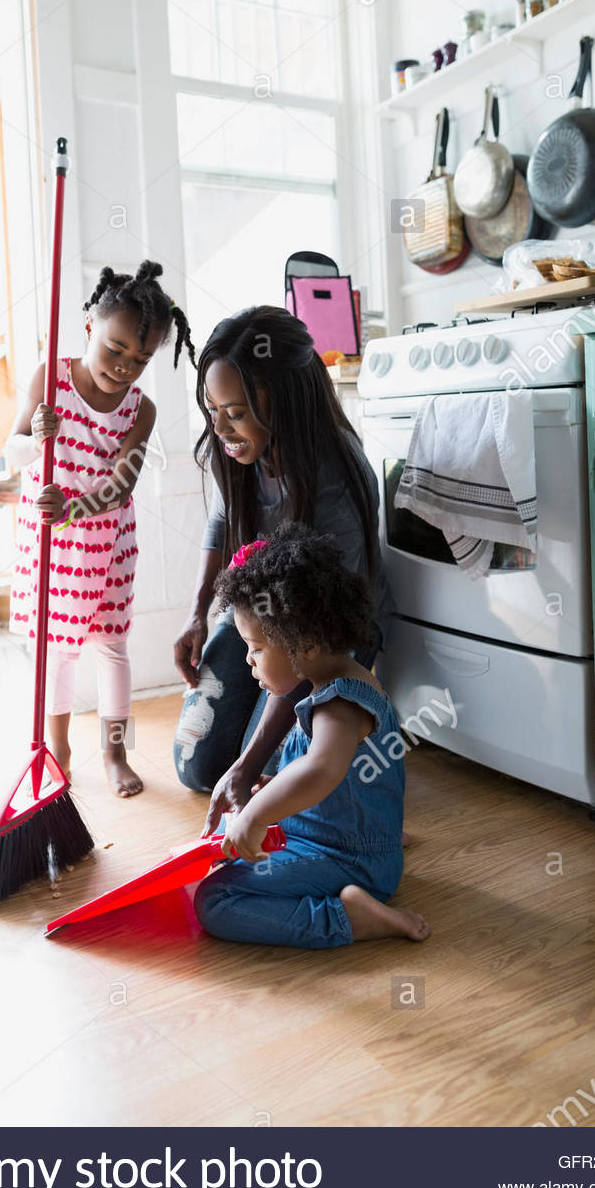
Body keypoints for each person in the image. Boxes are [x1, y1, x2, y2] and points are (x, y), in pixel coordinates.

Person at [172, 306, 393, 818]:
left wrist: (248, 768)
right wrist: (197, 614)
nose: (220, 427)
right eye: (212, 409)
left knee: (266, 777)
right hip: (257, 618)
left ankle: (352, 734)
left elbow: (312, 635)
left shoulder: (334, 479)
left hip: (326, 637)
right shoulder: (239, 455)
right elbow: (221, 524)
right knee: (197, 767)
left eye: (236, 411)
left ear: (286, 404)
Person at [9, 260, 195, 797]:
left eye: (140, 360)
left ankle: (116, 752)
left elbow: (123, 484)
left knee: (112, 647)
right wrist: (37, 439)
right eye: (115, 350)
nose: (124, 368)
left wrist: (75, 507)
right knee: (57, 649)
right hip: (50, 540)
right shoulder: (50, 377)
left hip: (107, 540)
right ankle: (57, 749)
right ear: (90, 326)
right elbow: (12, 449)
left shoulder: (142, 409)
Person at [193, 525, 429, 949]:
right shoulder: (334, 682)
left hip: (350, 861)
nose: (248, 660)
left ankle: (348, 919)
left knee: (216, 897)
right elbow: (335, 776)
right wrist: (270, 790)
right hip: (347, 842)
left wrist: (258, 813)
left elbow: (322, 768)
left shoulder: (340, 704)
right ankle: (381, 844)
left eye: (256, 648)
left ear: (307, 643)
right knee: (227, 838)